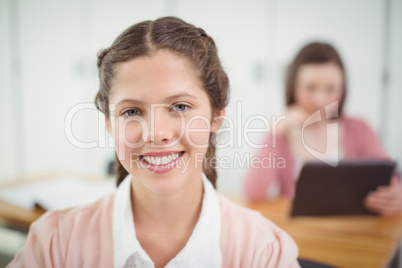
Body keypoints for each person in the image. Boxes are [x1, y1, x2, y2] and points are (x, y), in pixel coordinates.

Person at [8, 17, 299, 267]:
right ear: (110, 125)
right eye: (132, 111)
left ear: (216, 116)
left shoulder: (265, 253)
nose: (156, 133)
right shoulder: (54, 244)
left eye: (180, 107)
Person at [243, 42, 402, 215]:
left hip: (354, 232)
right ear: (293, 86)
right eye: (310, 88)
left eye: (330, 89)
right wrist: (274, 133)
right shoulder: (282, 135)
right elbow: (253, 193)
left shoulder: (360, 130)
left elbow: (390, 178)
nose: (319, 99)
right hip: (301, 233)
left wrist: (397, 196)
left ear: (343, 90)